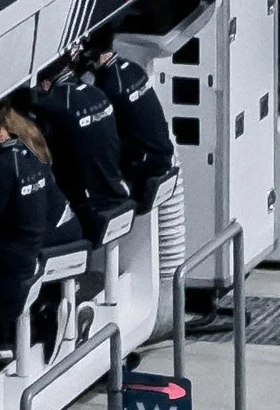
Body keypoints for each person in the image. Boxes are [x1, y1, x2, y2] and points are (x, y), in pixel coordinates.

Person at [89, 30, 189, 321]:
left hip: (148, 173)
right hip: (161, 160)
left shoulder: (108, 87)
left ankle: (99, 291)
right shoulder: (130, 69)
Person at [0, 103, 62, 367]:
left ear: (2, 131)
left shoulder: (0, 165)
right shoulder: (31, 150)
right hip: (36, 239)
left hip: (15, 254)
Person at [32, 51, 137, 243]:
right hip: (117, 187)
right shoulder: (97, 92)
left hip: (96, 201)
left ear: (46, 82)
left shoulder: (57, 104)